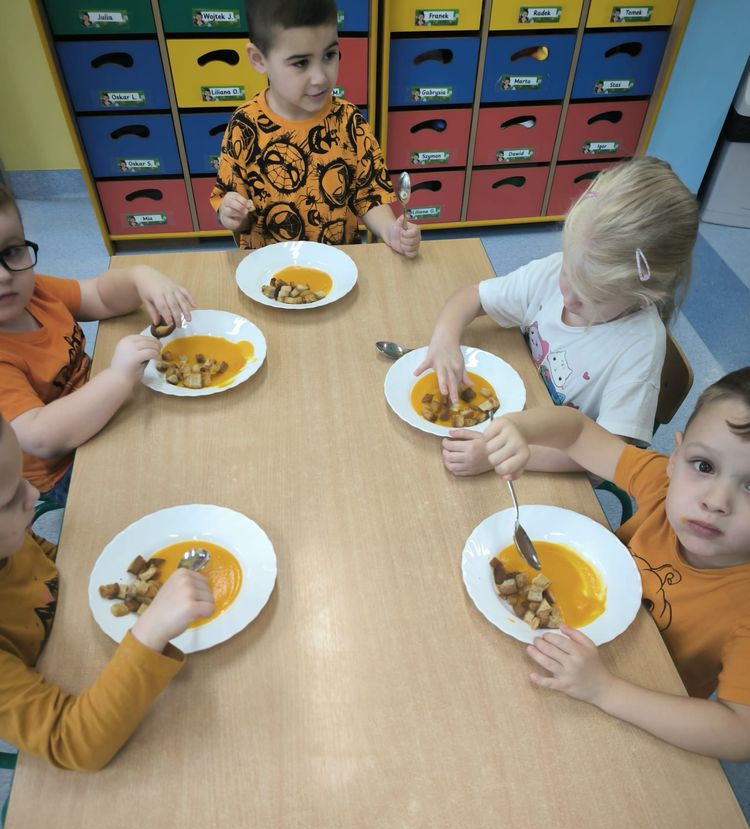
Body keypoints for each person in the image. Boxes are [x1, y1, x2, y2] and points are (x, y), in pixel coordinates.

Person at [483, 368, 750, 761]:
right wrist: (518, 429)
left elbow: (740, 734)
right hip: (564, 648)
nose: (715, 501)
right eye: (704, 466)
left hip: (642, 707)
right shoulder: (663, 483)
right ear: (675, 458)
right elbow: (576, 432)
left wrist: (605, 690)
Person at [415, 156, 698, 476]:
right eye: (568, 272)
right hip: (515, 421)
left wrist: (497, 456)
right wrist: (444, 339)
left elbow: (612, 454)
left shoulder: (639, 349)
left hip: (548, 461)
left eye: (593, 296)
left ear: (645, 295)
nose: (569, 297)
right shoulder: (553, 271)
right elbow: (471, 297)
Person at [0, 417, 215, 770]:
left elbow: (47, 563)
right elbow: (73, 744)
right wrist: (151, 631)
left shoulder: (9, 541)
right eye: (10, 498)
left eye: (22, 476)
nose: (34, 495)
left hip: (72, 642)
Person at [0, 183, 195, 512]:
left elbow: (100, 297)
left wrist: (140, 277)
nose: (4, 276)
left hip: (103, 405)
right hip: (67, 466)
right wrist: (117, 377)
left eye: (10, 252)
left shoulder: (33, 292)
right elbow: (42, 437)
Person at [209, 0, 420, 256]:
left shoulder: (349, 120)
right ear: (258, 59)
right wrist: (233, 213)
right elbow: (234, 209)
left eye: (329, 55)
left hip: (337, 266)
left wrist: (389, 231)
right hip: (271, 268)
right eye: (300, 63)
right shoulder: (244, 125)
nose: (320, 77)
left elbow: (369, 196)